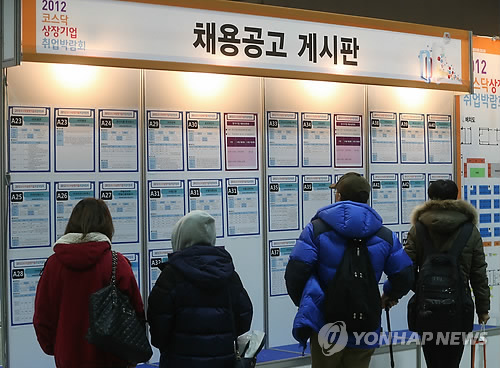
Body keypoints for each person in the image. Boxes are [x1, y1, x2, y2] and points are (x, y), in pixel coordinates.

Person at [285, 172, 414, 368]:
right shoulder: (385, 235)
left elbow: (296, 271)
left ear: (339, 196)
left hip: (325, 323)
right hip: (365, 323)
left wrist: (307, 302)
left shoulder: (316, 230)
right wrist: (389, 294)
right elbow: (404, 274)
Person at [33, 198, 144, 368]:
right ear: (107, 225)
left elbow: (43, 316)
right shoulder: (117, 262)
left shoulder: (53, 265)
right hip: (112, 358)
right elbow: (136, 313)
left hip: (68, 358)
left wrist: (57, 347)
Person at [147, 210, 253, 368]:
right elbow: (244, 316)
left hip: (179, 361)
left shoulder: (171, 275)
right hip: (222, 361)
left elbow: (158, 326)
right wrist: (222, 339)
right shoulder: (228, 273)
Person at [405, 179, 490, 368]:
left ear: (429, 198)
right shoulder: (470, 230)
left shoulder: (418, 228)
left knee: (432, 361)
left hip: (426, 310)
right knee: (452, 362)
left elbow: (406, 269)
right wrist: (483, 309)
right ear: (456, 197)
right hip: (458, 310)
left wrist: (421, 288)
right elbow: (478, 273)